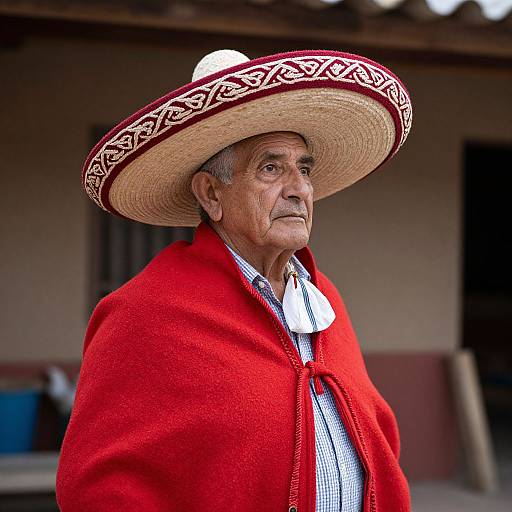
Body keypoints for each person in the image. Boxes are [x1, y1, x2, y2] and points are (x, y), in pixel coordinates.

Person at [57, 49, 413, 512]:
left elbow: (376, 437)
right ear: (211, 194)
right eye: (270, 168)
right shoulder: (145, 314)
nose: (299, 188)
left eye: (304, 169)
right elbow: (98, 492)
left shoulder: (323, 300)